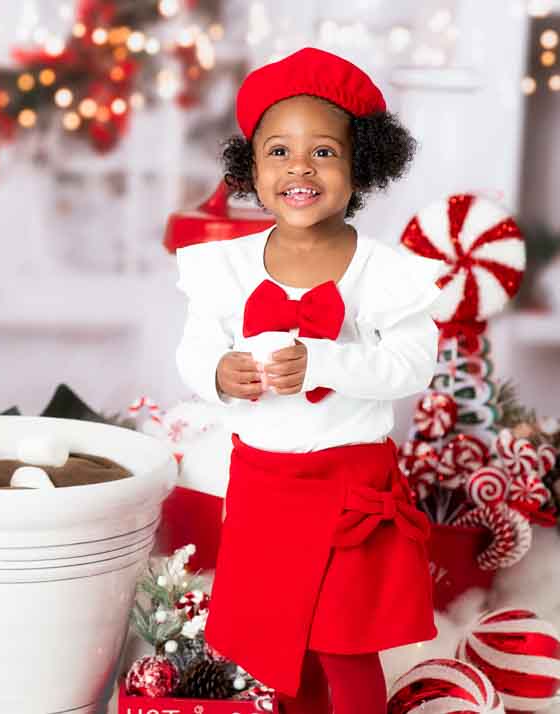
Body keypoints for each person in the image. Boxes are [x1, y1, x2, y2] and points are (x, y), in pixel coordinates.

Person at [175, 47, 443, 714]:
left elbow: (412, 365)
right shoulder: (226, 267)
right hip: (266, 488)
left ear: (361, 166)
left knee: (345, 642)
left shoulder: (383, 272)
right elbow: (193, 346)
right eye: (278, 151)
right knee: (278, 645)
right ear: (252, 169)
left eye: (323, 152)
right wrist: (217, 372)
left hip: (350, 487)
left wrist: (324, 361)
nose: (299, 166)